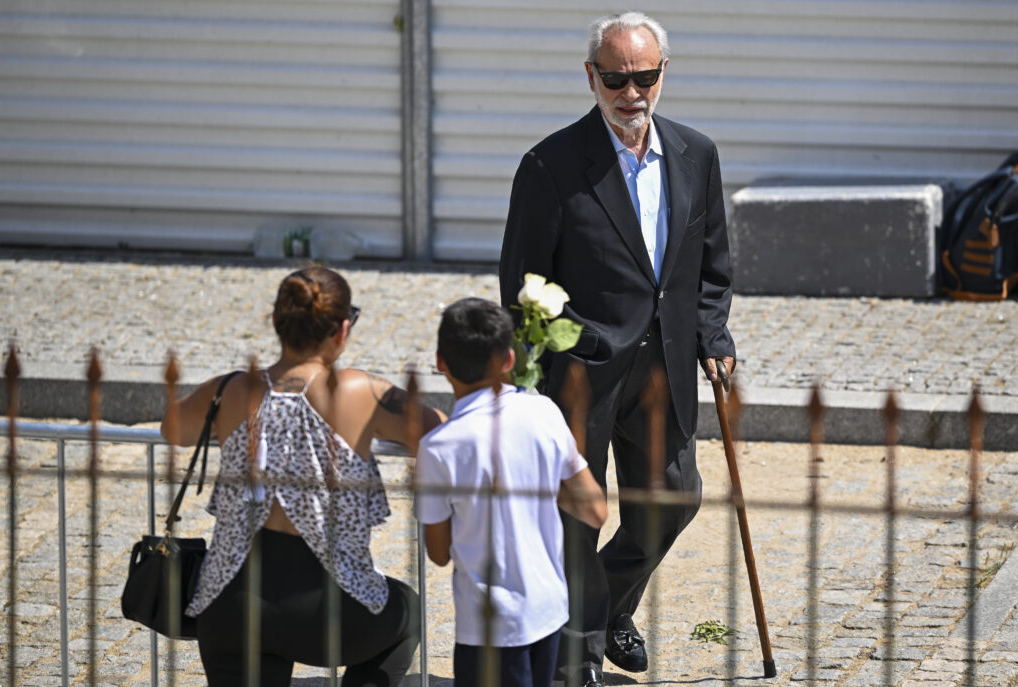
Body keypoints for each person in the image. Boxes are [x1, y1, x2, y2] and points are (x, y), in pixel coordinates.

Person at [498, 11, 736, 686]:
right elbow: (523, 280)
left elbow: (713, 266)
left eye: (645, 76)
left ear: (663, 74)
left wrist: (714, 335)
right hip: (581, 371)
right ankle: (575, 660)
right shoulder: (550, 164)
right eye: (615, 77)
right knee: (578, 512)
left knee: (675, 498)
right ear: (591, 76)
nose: (631, 91)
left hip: (666, 367)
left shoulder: (697, 153)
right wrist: (574, 339)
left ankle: (602, 608)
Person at [161, 266, 444, 687]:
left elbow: (173, 430)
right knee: (407, 612)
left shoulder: (232, 390)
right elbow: (439, 427)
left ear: (276, 323)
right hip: (325, 609)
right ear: (343, 330)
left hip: (230, 601)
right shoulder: (359, 391)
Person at [414, 298, 607, 687]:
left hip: (485, 623)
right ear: (507, 360)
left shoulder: (438, 447)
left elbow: (436, 553)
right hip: (549, 608)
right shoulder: (544, 413)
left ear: (440, 362)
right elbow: (596, 511)